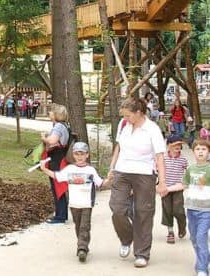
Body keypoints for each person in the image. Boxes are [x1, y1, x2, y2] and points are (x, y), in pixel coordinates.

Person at [108, 97, 167, 268]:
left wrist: (162, 182)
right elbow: (118, 147)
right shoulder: (123, 124)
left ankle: (142, 253)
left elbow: (159, 157)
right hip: (122, 171)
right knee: (117, 208)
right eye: (124, 116)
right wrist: (112, 168)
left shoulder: (152, 129)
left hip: (144, 173)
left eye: (128, 115)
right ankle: (126, 238)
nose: (125, 119)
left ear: (139, 113)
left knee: (143, 212)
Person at [41, 141, 111, 262]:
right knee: (78, 226)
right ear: (73, 155)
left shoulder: (90, 170)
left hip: (87, 204)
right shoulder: (70, 169)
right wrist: (44, 169)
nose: (80, 157)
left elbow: (101, 183)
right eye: (77, 154)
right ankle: (83, 245)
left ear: (87, 155)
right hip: (74, 204)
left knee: (85, 226)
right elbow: (57, 176)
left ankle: (82, 248)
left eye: (82, 154)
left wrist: (110, 179)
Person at [182, 139, 210, 276]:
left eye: (203, 149)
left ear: (208, 152)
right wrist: (165, 188)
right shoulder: (190, 169)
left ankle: (202, 268)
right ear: (193, 152)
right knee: (194, 238)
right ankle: (204, 259)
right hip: (191, 209)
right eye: (198, 149)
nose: (200, 152)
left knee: (200, 238)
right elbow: (184, 184)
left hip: (206, 211)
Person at [41, 103, 70, 224]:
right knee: (58, 186)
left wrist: (43, 137)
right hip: (59, 158)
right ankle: (60, 213)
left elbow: (52, 141)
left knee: (58, 187)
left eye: (51, 112)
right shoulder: (63, 125)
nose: (49, 114)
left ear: (56, 114)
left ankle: (60, 216)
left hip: (57, 160)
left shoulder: (58, 126)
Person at [162, 134, 188, 244]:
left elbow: (188, 172)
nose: (178, 147)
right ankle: (170, 232)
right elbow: (157, 171)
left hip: (177, 188)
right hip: (165, 189)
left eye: (179, 145)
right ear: (168, 146)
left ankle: (182, 227)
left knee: (178, 210)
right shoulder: (163, 158)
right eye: (175, 145)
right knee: (167, 210)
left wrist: (185, 182)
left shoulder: (183, 159)